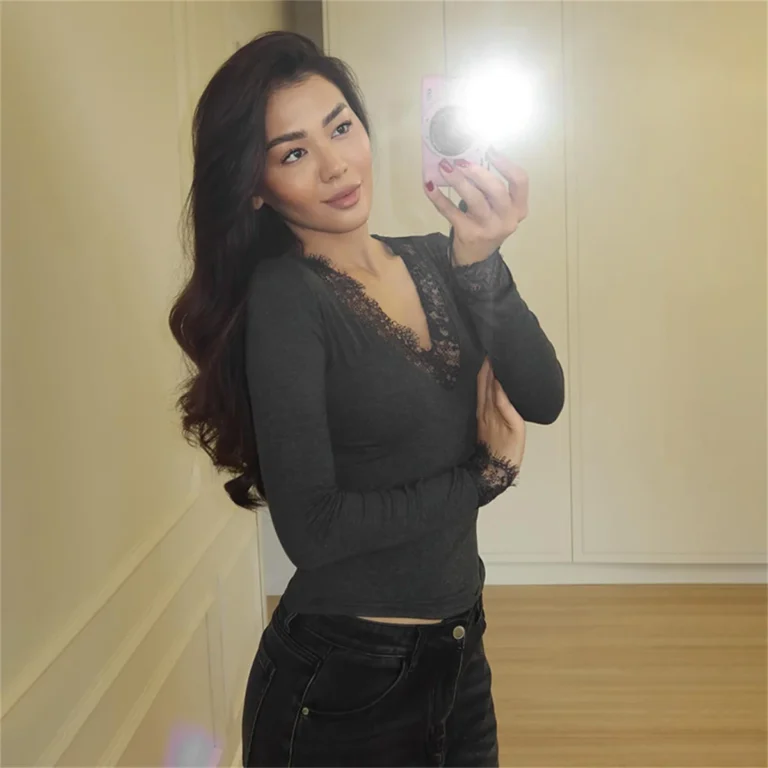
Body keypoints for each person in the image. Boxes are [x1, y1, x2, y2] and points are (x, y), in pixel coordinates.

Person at [169, 30, 564, 768]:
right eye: (293, 153)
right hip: (344, 685)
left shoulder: (440, 256)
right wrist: (481, 479)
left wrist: (483, 263)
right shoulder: (288, 297)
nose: (335, 165)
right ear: (256, 186)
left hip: (460, 656)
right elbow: (312, 531)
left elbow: (543, 395)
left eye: (341, 127)